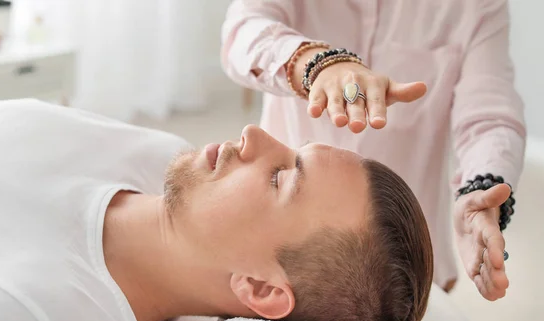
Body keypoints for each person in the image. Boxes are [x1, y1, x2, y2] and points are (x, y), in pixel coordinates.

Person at [0, 98, 477, 321]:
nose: (252, 135)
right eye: (289, 151)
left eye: (278, 179)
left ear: (261, 288)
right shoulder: (161, 157)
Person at [221, 0, 525, 300]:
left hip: (405, 260)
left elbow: (489, 115)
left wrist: (480, 191)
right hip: (277, 247)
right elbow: (243, 30)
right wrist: (318, 63)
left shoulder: (478, 6)